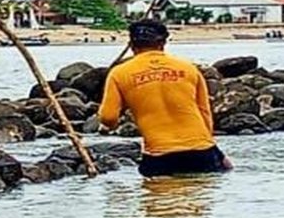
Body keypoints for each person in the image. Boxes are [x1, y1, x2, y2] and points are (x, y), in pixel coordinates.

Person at [99, 19, 233, 177]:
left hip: (159, 154)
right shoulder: (188, 68)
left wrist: (115, 119)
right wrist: (212, 149)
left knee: (161, 192)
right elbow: (205, 113)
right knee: (199, 191)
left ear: (132, 45)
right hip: (201, 150)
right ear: (162, 43)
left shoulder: (119, 73)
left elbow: (108, 118)